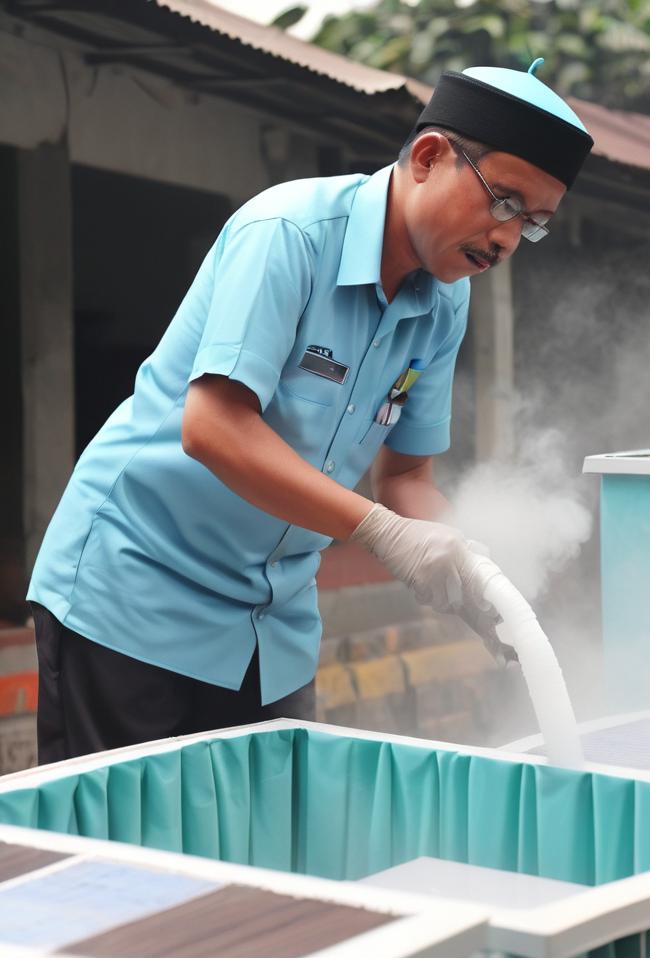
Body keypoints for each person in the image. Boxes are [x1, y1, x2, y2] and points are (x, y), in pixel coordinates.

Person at [26, 60, 593, 764]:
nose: (507, 240)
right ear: (427, 158)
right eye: (504, 203)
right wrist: (383, 534)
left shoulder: (446, 298)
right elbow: (214, 429)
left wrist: (474, 576)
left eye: (532, 224)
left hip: (271, 627)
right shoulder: (288, 234)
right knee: (122, 855)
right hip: (137, 592)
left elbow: (406, 476)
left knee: (259, 847)